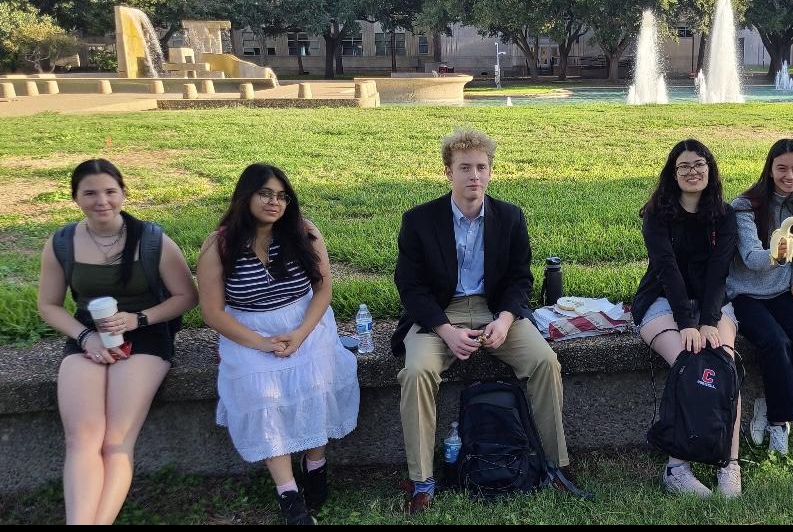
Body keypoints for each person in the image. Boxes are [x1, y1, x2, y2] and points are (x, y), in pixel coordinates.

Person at [392, 128, 589, 514]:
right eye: (465, 167)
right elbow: (410, 287)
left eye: (482, 167)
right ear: (448, 172)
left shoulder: (510, 217)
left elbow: (520, 280)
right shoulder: (419, 220)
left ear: (491, 171)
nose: (474, 176)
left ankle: (556, 465)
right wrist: (446, 331)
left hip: (494, 311)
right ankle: (422, 480)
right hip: (440, 313)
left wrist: (504, 320)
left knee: (545, 362)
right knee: (416, 372)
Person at [37, 159, 198, 525]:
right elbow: (48, 305)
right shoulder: (62, 243)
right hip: (88, 337)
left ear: (123, 193)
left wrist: (138, 318)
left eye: (110, 191)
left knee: (115, 440)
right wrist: (85, 336)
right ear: (75, 197)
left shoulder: (153, 239)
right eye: (90, 193)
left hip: (146, 334)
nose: (101, 201)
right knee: (82, 439)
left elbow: (186, 296)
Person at [197, 164, 359, 524]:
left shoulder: (304, 233)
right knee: (262, 395)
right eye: (265, 194)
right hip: (248, 330)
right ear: (245, 196)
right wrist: (264, 344)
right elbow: (212, 312)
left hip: (306, 322)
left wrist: (300, 333)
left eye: (282, 196)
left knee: (318, 381)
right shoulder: (219, 245)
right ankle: (288, 494)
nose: (275, 202)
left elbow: (323, 290)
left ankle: (315, 465)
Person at [632, 139, 742, 498]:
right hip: (662, 300)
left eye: (699, 164)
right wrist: (687, 325)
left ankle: (730, 464)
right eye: (684, 167)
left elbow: (718, 273)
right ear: (673, 174)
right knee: (687, 361)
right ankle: (676, 467)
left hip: (711, 303)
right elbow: (667, 272)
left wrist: (708, 320)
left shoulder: (725, 217)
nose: (693, 172)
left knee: (725, 364)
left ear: (709, 170)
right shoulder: (656, 215)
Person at [727, 139, 793, 456]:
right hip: (745, 293)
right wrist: (775, 252)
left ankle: (770, 405)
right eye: (782, 168)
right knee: (775, 341)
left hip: (782, 291)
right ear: (769, 169)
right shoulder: (745, 206)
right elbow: (752, 256)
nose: (789, 175)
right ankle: (781, 421)